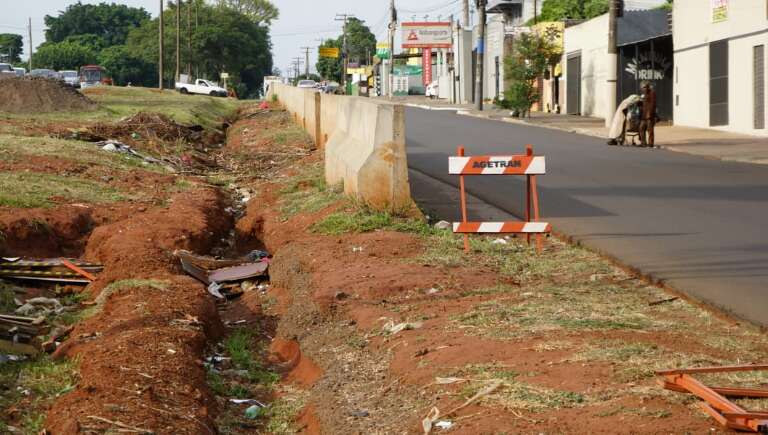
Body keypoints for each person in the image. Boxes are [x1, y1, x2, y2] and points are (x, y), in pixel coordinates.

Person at [638, 81, 657, 147]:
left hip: (649, 115)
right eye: (642, 88)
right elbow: (643, 104)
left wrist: (650, 113)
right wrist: (639, 103)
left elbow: (653, 104)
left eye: (645, 87)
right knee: (641, 128)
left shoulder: (652, 93)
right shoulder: (643, 94)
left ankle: (650, 143)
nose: (643, 89)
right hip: (643, 115)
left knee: (650, 130)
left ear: (648, 87)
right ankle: (643, 143)